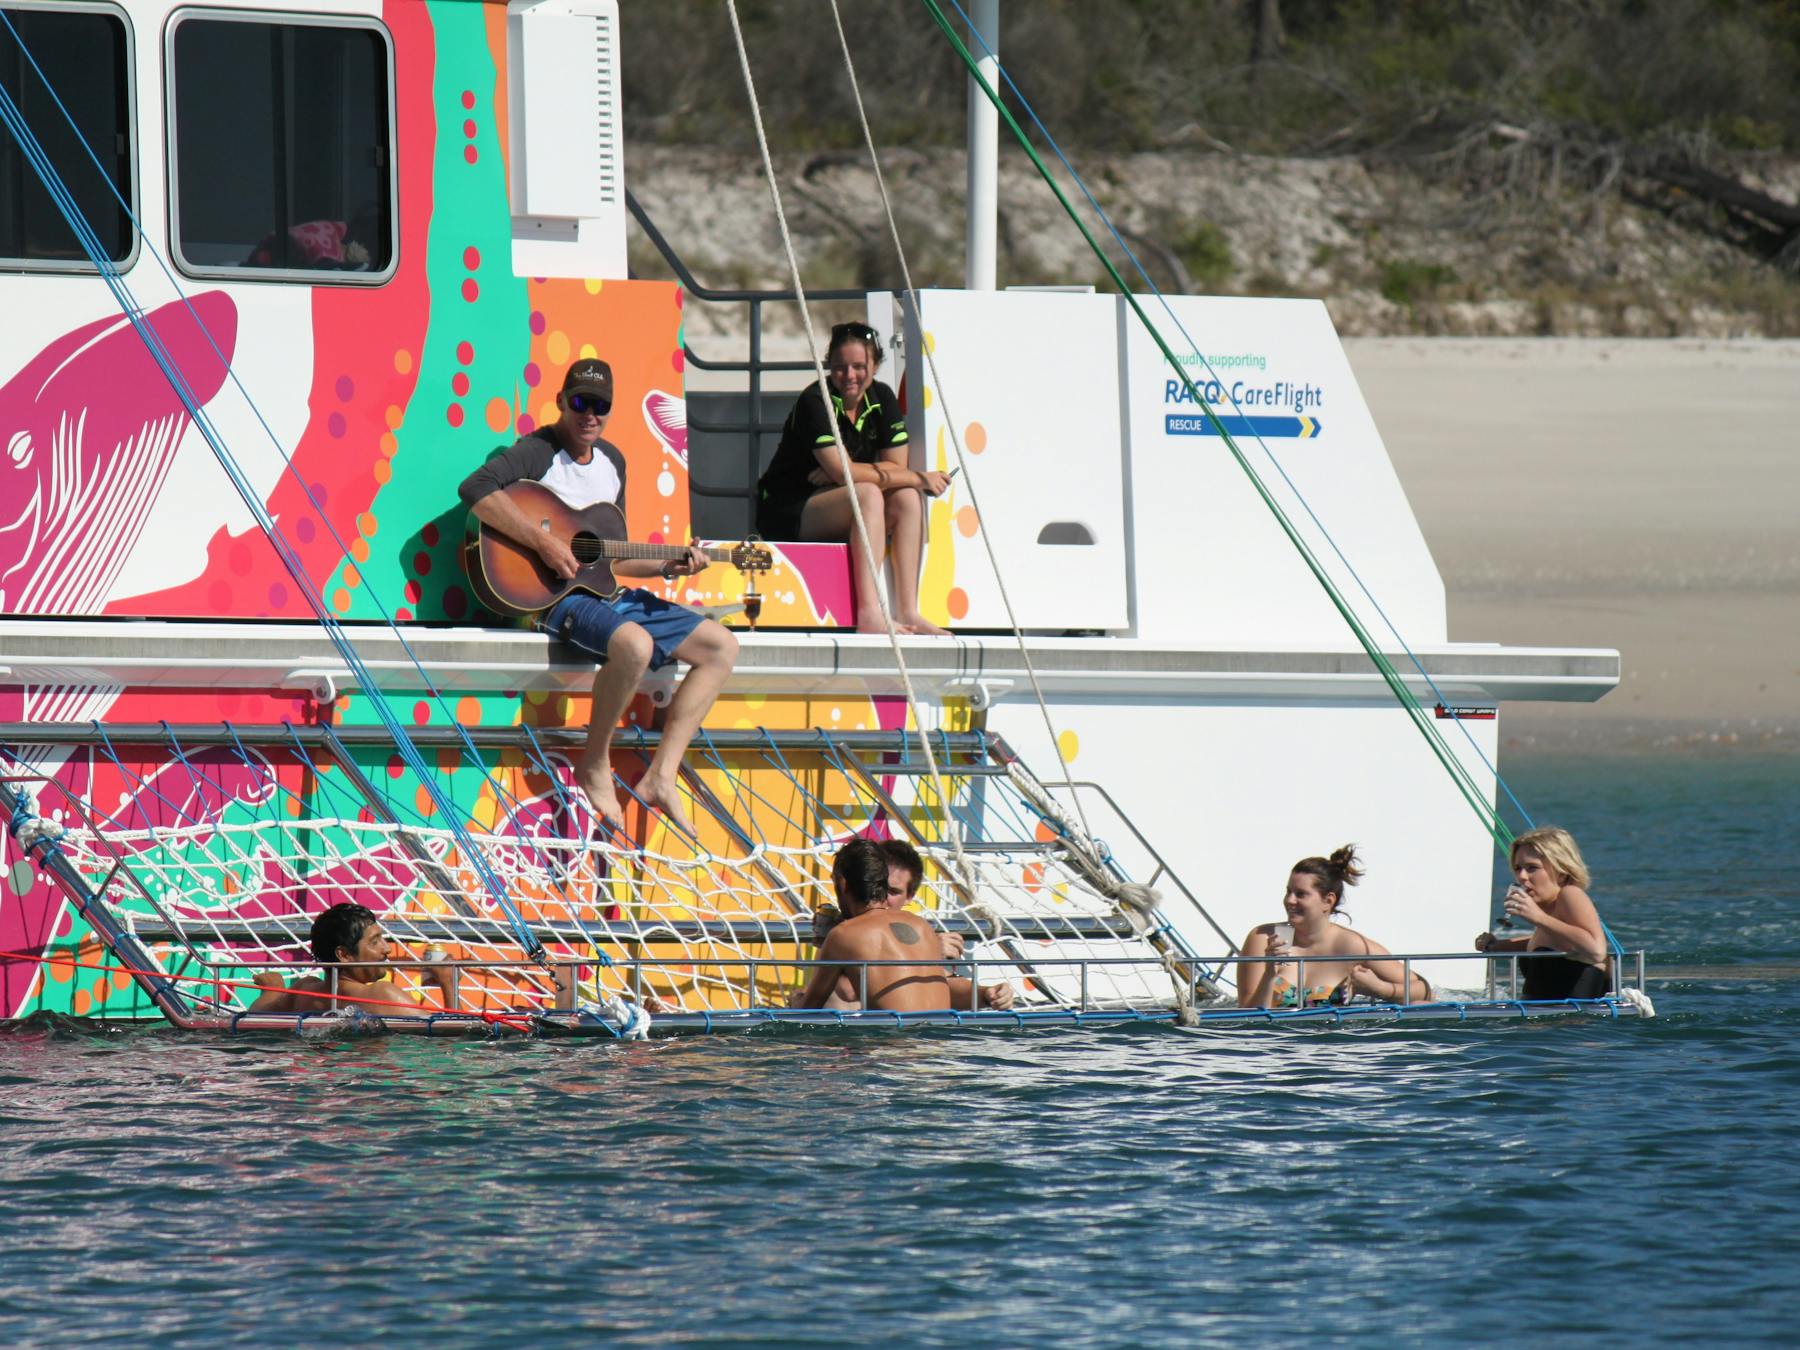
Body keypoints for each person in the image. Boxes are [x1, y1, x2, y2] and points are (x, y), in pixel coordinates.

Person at [460, 357, 739, 837]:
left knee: (722, 647)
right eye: (580, 402)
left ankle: (662, 774)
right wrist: (543, 543)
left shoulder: (613, 462)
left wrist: (670, 565)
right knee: (635, 646)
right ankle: (594, 762)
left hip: (603, 593)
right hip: (554, 598)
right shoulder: (538, 451)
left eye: (601, 406)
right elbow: (475, 489)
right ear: (561, 401)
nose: (590, 414)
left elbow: (611, 557)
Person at [754, 322, 951, 635]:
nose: (849, 376)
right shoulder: (815, 400)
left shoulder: (881, 396)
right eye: (840, 367)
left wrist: (848, 472)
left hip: (837, 501)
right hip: (787, 507)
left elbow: (894, 467)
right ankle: (870, 613)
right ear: (828, 365)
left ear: (875, 365)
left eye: (859, 366)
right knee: (870, 493)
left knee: (906, 497)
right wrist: (915, 477)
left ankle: (909, 611)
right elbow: (847, 472)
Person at [792, 839, 1014, 1012]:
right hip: (938, 1048)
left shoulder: (843, 935)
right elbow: (938, 983)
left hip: (891, 1050)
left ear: (843, 884)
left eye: (895, 891)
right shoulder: (922, 927)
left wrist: (796, 1002)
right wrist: (987, 994)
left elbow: (810, 1010)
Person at [1236, 844, 1432, 1008]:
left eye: (1300, 894)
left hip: (1329, 1042)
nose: (1289, 900)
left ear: (1328, 901)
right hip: (1276, 1041)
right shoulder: (1265, 938)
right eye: (1288, 892)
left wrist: (1379, 988)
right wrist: (1269, 974)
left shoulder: (1350, 945)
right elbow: (1248, 1015)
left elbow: (1423, 990)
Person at [1475, 826, 1611, 999]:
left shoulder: (1570, 894)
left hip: (1572, 1016)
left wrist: (1538, 917)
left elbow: (1596, 951)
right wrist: (1498, 946)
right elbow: (1553, 943)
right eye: (1518, 868)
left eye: (1532, 868)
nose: (1522, 876)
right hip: (1539, 1014)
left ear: (1561, 872)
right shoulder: (1550, 912)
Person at [247, 903, 455, 1015]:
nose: (387, 949)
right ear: (344, 955)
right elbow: (451, 1037)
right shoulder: (382, 994)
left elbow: (257, 1013)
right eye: (375, 942)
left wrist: (273, 990)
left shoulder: (303, 992)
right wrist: (448, 983)